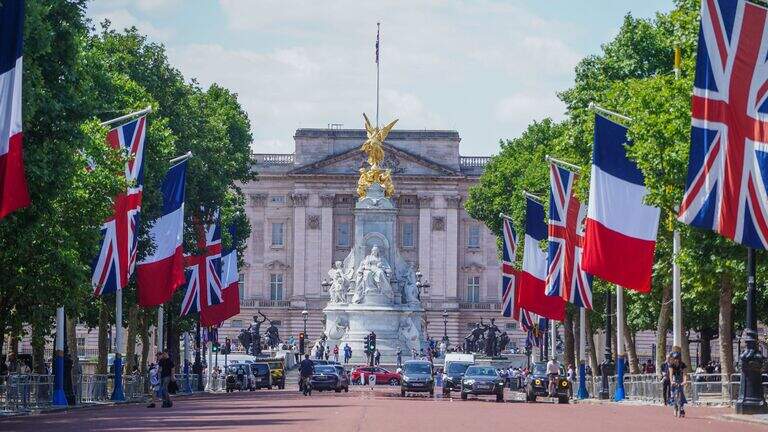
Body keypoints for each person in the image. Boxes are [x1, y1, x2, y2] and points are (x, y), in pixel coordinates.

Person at [668, 351, 688, 417]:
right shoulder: (671, 365)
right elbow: (670, 375)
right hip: (674, 378)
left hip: (680, 378)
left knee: (681, 391)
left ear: (679, 359)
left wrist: (685, 381)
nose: (676, 360)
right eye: (674, 359)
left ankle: (681, 407)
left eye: (677, 358)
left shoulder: (683, 365)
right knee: (673, 393)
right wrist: (671, 381)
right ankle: (674, 406)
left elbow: (685, 374)